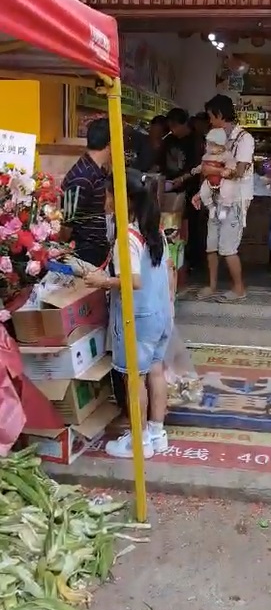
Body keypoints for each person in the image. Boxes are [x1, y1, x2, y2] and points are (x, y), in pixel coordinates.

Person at [85, 170, 173, 460]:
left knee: (134, 378)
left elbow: (133, 281)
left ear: (124, 199)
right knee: (156, 370)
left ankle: (139, 440)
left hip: (139, 317)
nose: (106, 199)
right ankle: (157, 433)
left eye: (109, 193)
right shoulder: (154, 229)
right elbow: (169, 271)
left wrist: (102, 282)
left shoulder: (128, 236)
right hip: (161, 313)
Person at [194, 94, 254, 302]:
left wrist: (213, 170)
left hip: (234, 199)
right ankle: (211, 285)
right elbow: (206, 168)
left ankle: (239, 289)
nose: (209, 120)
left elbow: (238, 171)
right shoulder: (215, 137)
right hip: (215, 197)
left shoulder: (244, 138)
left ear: (219, 114)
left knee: (228, 247)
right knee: (211, 244)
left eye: (211, 116)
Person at [62, 117, 111, 268]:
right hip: (85, 252)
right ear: (110, 144)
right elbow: (67, 221)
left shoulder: (96, 170)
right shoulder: (82, 176)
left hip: (96, 249)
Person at [160, 108, 202, 270]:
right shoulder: (169, 140)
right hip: (170, 190)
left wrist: (183, 179)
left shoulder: (196, 141)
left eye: (175, 126)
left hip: (190, 190)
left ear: (184, 124)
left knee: (190, 226)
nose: (172, 130)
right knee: (171, 225)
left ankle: (191, 262)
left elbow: (199, 167)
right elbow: (161, 162)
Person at [192, 127, 236, 218]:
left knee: (227, 190)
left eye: (212, 145)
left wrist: (227, 170)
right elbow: (202, 166)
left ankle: (225, 208)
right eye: (208, 144)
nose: (209, 147)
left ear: (220, 146)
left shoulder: (226, 155)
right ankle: (211, 207)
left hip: (222, 180)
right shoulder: (206, 156)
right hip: (209, 180)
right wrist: (196, 169)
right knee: (204, 192)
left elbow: (231, 164)